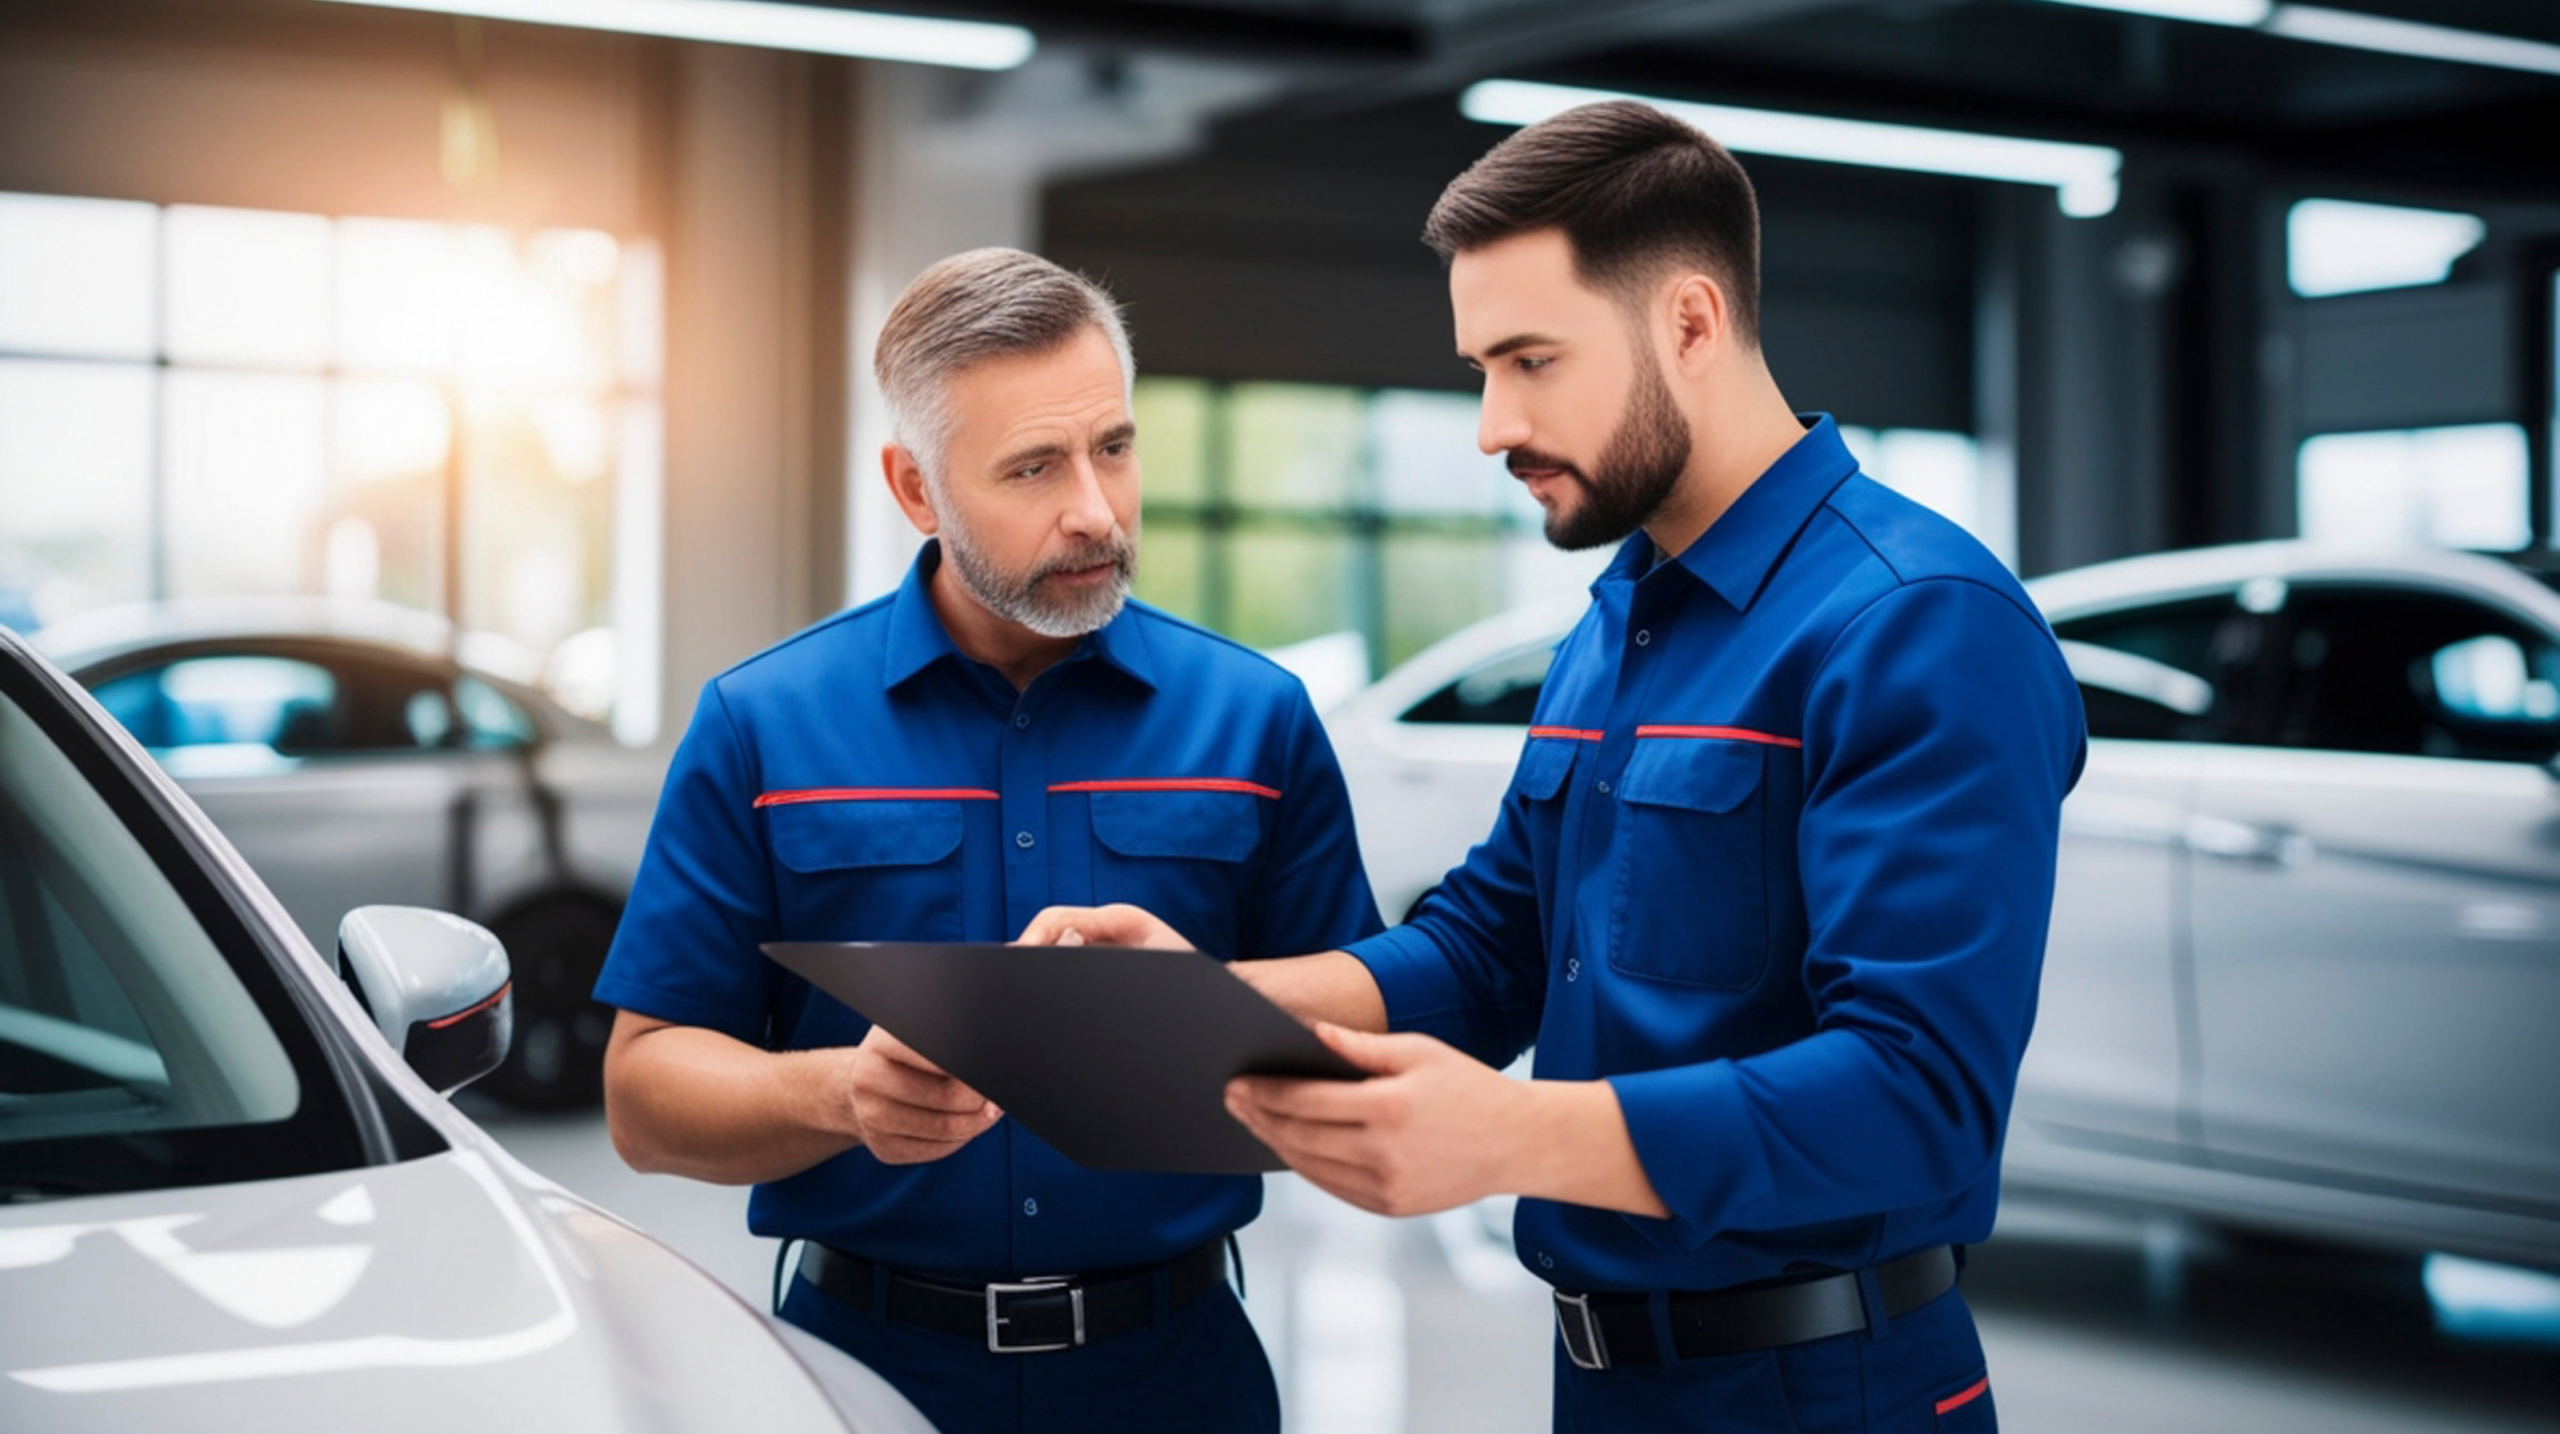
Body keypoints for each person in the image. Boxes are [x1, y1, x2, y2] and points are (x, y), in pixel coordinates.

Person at [1022, 102, 2085, 1433]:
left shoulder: (1918, 623)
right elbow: (1491, 950)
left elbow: (1920, 1094)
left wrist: (1515, 1135)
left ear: (1690, 322)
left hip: (1825, 1385)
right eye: (1482, 366)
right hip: (1604, 1382)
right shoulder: (1625, 612)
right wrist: (1207, 1003)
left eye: (1530, 360)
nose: (1489, 423)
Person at [594, 247, 1382, 1434]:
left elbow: (1362, 1050)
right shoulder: (763, 726)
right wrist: (838, 1094)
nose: (1095, 511)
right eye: (1032, 468)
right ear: (915, 488)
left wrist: (1205, 1020)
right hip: (867, 1373)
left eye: (1113, 448)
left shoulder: (1254, 720)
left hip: (1177, 1380)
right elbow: (644, 1094)